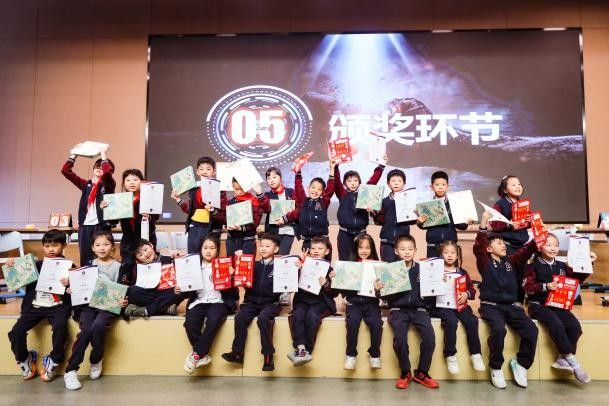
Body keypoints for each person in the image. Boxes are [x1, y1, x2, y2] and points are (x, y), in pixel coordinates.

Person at [474, 211, 539, 389]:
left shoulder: (511, 261)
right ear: (489, 249)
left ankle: (521, 364)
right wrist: (483, 222)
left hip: (512, 306)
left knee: (531, 330)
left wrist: (538, 233)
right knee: (499, 330)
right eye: (498, 243)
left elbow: (526, 250)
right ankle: (495, 367)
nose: (503, 245)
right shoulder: (484, 261)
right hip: (490, 306)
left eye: (503, 242)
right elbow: (479, 246)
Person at [523, 233, 596, 383]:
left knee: (575, 327)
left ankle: (562, 358)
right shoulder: (531, 266)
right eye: (548, 245)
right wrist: (546, 286)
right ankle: (574, 363)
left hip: (558, 305)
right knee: (557, 325)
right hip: (538, 305)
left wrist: (588, 262)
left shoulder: (561, 266)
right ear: (539, 247)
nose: (553, 248)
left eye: (556, 245)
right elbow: (527, 288)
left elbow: (576, 279)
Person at [63, 231, 128, 390]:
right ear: (92, 247)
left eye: (106, 244)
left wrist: (124, 300)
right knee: (85, 330)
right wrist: (73, 289)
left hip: (107, 307)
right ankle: (71, 370)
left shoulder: (120, 267)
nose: (102, 248)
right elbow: (80, 284)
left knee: (98, 326)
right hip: (88, 306)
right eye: (98, 245)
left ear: (113, 247)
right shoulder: (89, 264)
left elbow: (122, 289)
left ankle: (96, 359)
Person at [375, 234, 439, 390]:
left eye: (410, 249)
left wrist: (439, 282)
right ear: (396, 251)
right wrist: (378, 289)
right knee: (400, 340)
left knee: (430, 338)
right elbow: (384, 296)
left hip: (419, 310)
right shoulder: (391, 270)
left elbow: (432, 291)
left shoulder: (423, 269)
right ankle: (405, 372)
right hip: (398, 310)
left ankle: (422, 373)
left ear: (415, 250)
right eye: (403, 249)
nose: (407, 252)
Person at [7, 229, 71, 382]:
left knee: (61, 328)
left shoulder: (70, 267)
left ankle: (53, 360)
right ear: (43, 247)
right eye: (47, 246)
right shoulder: (34, 265)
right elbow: (16, 281)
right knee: (16, 331)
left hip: (57, 307)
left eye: (55, 245)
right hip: (35, 307)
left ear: (64, 246)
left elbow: (77, 290)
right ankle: (25, 359)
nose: (51, 249)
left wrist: (71, 282)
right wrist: (12, 267)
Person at [222, 234, 283, 371]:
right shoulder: (253, 265)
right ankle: (237, 353)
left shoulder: (281, 266)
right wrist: (238, 268)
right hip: (251, 302)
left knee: (263, 319)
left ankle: (268, 356)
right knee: (240, 317)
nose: (263, 248)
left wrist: (296, 268)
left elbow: (289, 283)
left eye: (267, 246)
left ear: (276, 249)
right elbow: (244, 283)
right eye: (261, 246)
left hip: (271, 303)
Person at [180, 234, 238, 374]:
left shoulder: (224, 265)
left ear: (217, 251)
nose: (208, 251)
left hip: (218, 301)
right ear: (200, 249)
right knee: (190, 322)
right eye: (205, 248)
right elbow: (187, 291)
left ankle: (195, 356)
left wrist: (231, 278)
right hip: (199, 301)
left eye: (212, 248)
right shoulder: (193, 267)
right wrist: (180, 288)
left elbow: (234, 293)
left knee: (214, 319)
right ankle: (202, 355)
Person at [428, 240, 484, 375]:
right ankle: (450, 355)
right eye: (446, 252)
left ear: (457, 256)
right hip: (443, 307)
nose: (449, 255)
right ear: (441, 255)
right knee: (451, 321)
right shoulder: (436, 272)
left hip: (460, 305)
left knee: (472, 321)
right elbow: (429, 291)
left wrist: (466, 294)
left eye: (453, 253)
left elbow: (472, 290)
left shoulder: (462, 272)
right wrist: (436, 283)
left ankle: (476, 354)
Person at [61, 145, 115, 266]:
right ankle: (86, 278)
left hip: (101, 226)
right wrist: (74, 154)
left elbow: (107, 174)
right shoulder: (86, 185)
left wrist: (103, 154)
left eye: (102, 166)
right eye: (97, 165)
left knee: (102, 258)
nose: (99, 167)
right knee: (85, 258)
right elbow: (65, 171)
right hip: (85, 226)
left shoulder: (108, 185)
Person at [287, 236, 337, 365]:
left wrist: (326, 283)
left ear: (327, 251)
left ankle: (307, 350)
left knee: (312, 315)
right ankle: (301, 348)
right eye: (313, 248)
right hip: (303, 301)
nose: (315, 251)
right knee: (297, 314)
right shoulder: (303, 264)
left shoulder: (330, 269)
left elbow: (334, 293)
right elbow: (291, 283)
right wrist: (298, 269)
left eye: (320, 248)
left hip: (321, 302)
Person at [340, 233, 383, 370]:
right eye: (361, 247)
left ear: (372, 249)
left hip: (371, 303)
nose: (364, 251)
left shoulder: (378, 266)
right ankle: (350, 355)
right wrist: (337, 277)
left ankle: (375, 355)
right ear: (355, 249)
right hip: (354, 303)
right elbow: (343, 289)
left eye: (367, 248)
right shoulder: (350, 265)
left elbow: (382, 292)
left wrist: (378, 289)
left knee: (376, 323)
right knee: (352, 322)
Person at [171, 157, 226, 254]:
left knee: (210, 256)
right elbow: (190, 210)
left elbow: (223, 213)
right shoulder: (194, 188)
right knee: (193, 256)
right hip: (195, 227)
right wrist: (178, 199)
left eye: (208, 169)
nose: (205, 171)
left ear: (214, 172)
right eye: (201, 169)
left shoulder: (219, 189)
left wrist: (213, 210)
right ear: (197, 172)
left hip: (212, 228)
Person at [334, 160, 385, 260]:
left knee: (361, 261)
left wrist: (381, 167)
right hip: (344, 234)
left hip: (361, 233)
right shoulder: (342, 194)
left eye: (355, 180)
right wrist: (335, 167)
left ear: (359, 182)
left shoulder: (364, 193)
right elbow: (336, 181)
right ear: (345, 183)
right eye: (349, 181)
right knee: (345, 261)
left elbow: (373, 181)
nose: (352, 183)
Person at [120, 239, 184, 318]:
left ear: (151, 245)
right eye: (140, 255)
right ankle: (165, 309)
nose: (145, 254)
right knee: (132, 290)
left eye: (145, 249)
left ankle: (147, 310)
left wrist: (176, 261)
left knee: (178, 291)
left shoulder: (169, 260)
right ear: (137, 260)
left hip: (169, 292)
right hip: (152, 295)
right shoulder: (138, 269)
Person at [416, 171, 470, 257]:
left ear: (447, 187)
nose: (440, 187)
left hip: (450, 246)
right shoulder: (427, 206)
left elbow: (462, 226)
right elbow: (424, 225)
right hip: (433, 246)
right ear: (431, 187)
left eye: (443, 185)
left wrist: (465, 222)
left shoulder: (454, 204)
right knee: (433, 266)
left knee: (450, 266)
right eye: (437, 185)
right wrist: (419, 223)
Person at [372, 169, 415, 262]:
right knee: (388, 268)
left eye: (399, 181)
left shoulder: (409, 200)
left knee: (402, 268)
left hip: (403, 242)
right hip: (386, 241)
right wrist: (373, 212)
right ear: (388, 184)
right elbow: (380, 221)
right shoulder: (384, 201)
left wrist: (416, 214)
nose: (396, 183)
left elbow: (412, 220)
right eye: (393, 181)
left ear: (404, 184)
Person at [293, 161, 335, 251]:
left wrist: (332, 170)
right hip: (307, 241)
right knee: (306, 260)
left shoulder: (323, 202)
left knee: (323, 260)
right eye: (313, 187)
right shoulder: (303, 201)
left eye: (319, 189)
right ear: (308, 188)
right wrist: (298, 172)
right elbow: (298, 187)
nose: (315, 190)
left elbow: (330, 190)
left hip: (322, 241)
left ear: (322, 192)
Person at [255, 167, 298, 255]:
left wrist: (285, 218)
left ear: (280, 178)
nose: (271, 180)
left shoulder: (290, 192)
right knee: (270, 257)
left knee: (282, 257)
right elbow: (267, 209)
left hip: (288, 232)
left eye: (274, 177)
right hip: (272, 232)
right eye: (268, 178)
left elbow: (297, 209)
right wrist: (260, 194)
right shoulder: (267, 195)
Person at [490, 175, 531, 256]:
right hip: (507, 245)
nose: (517, 186)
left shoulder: (523, 204)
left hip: (521, 245)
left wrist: (530, 221)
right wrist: (509, 225)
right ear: (505, 190)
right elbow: (495, 224)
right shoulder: (500, 204)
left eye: (519, 184)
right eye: (513, 185)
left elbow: (527, 223)